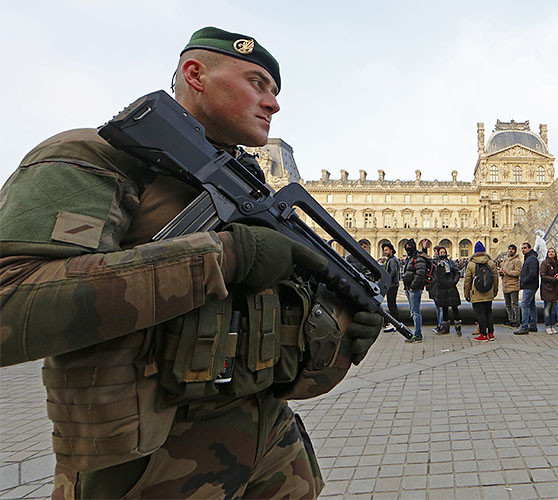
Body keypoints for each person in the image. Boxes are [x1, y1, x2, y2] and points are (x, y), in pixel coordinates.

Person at [0, 27, 386, 499]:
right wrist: (224, 256)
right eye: (257, 83)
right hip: (146, 467)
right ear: (195, 74)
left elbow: (280, 372)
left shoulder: (254, 196)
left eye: (275, 91)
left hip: (269, 451)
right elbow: (10, 302)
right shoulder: (92, 157)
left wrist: (340, 337)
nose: (274, 104)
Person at [465, 241, 499, 341]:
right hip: (489, 292)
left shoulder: (471, 264)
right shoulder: (491, 263)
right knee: (489, 313)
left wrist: (467, 294)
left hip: (476, 293)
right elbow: (496, 279)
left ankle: (483, 335)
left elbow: (467, 281)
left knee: (480, 314)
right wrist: (495, 291)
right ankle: (491, 334)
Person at [431, 246, 462, 335]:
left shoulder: (450, 262)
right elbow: (428, 263)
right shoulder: (436, 263)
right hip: (441, 288)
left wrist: (454, 281)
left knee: (455, 308)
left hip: (451, 288)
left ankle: (458, 327)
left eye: (444, 252)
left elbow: (457, 273)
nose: (443, 254)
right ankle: (445, 328)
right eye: (441, 252)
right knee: (444, 308)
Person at [402, 238, 429, 342]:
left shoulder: (417, 257)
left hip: (414, 289)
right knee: (413, 311)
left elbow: (420, 273)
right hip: (409, 288)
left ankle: (417, 334)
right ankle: (416, 333)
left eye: (409, 247)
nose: (408, 248)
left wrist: (413, 285)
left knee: (415, 312)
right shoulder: (410, 257)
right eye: (406, 247)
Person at [515, 242, 540, 335]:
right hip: (531, 285)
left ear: (530, 248)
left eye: (525, 248)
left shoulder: (532, 259)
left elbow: (532, 274)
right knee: (532, 305)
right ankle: (533, 325)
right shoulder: (530, 258)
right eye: (522, 248)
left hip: (529, 286)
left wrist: (524, 281)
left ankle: (524, 327)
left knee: (524, 305)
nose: (523, 250)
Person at [540, 247, 558, 334]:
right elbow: (543, 275)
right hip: (547, 289)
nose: (551, 253)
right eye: (549, 252)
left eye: (553, 252)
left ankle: (553, 326)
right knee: (547, 308)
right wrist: (554, 279)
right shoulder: (544, 263)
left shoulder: (557, 263)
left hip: (555, 289)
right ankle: (548, 326)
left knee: (553, 309)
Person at [500, 244, 522, 328]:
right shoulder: (505, 260)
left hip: (513, 285)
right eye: (509, 249)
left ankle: (517, 321)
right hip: (505, 285)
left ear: (515, 251)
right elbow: (503, 270)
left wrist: (507, 272)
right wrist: (502, 273)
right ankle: (511, 320)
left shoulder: (517, 261)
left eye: (512, 249)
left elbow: (518, 273)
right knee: (508, 304)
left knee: (514, 304)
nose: (510, 250)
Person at [382, 242, 401, 332]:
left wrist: (387, 280)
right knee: (391, 303)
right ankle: (394, 322)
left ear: (391, 250)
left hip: (392, 285)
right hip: (393, 284)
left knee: (391, 304)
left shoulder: (392, 260)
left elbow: (393, 272)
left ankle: (394, 323)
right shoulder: (391, 259)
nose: (384, 252)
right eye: (384, 250)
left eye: (386, 250)